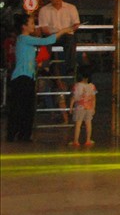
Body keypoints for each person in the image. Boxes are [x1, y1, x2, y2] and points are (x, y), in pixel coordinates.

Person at [6, 14, 73, 142]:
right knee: (21, 107)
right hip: (22, 78)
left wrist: (37, 64)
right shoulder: (24, 38)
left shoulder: (24, 40)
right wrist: (63, 30)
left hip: (27, 77)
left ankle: (21, 134)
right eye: (31, 23)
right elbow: (46, 41)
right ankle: (17, 134)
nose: (34, 26)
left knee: (25, 107)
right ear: (24, 26)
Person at [37, 0, 81, 75]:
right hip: (51, 35)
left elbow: (76, 24)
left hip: (66, 35)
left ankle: (70, 68)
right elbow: (44, 29)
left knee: (71, 40)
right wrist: (55, 35)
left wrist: (69, 29)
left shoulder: (71, 8)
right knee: (45, 41)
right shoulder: (44, 10)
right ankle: (44, 68)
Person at [68, 66, 97, 147]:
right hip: (89, 107)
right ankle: (88, 140)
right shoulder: (92, 86)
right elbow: (94, 98)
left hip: (79, 107)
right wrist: (94, 107)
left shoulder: (77, 86)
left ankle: (76, 141)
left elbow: (74, 97)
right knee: (88, 124)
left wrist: (71, 107)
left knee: (78, 124)